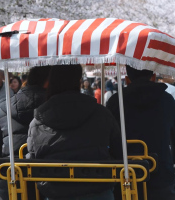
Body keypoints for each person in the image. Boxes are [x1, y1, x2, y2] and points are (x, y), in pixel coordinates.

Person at [28, 64, 123, 199]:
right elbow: (119, 151)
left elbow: (33, 160)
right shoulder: (102, 114)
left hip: (55, 193)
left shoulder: (37, 121)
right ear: (78, 81)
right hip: (99, 191)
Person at [106, 66, 175, 200]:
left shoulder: (115, 101)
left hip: (125, 175)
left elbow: (108, 136)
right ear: (153, 77)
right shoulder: (166, 99)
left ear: (127, 79)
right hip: (161, 172)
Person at [0, 66, 50, 200]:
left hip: (12, 178)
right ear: (48, 82)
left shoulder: (3, 107)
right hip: (47, 179)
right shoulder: (54, 107)